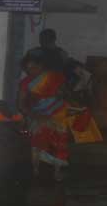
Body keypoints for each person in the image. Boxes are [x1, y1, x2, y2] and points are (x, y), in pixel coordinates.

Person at [17, 49, 71, 179]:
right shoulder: (25, 83)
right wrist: (34, 115)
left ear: (41, 66)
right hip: (35, 114)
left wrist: (59, 95)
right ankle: (35, 169)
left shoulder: (55, 78)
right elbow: (21, 105)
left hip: (56, 113)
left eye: (34, 67)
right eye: (28, 68)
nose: (31, 70)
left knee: (60, 130)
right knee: (38, 130)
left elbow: (66, 97)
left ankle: (57, 170)